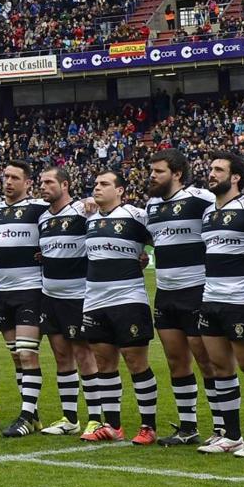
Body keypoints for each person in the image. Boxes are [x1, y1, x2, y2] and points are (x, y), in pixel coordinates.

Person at [197, 151, 244, 457]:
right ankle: (231, 435)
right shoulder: (207, 214)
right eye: (211, 168)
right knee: (220, 368)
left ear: (236, 177)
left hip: (242, 298)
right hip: (210, 298)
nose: (211, 173)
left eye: (218, 169)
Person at [144, 148, 217, 447]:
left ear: (176, 173)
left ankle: (224, 428)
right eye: (151, 170)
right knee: (176, 361)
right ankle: (188, 427)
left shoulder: (202, 199)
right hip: (165, 293)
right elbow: (150, 240)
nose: (152, 175)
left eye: (158, 171)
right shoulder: (151, 206)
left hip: (197, 291)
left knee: (207, 360)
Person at [81, 171, 159, 444]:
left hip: (128, 299)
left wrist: (145, 257)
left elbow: (160, 241)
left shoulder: (137, 216)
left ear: (121, 190)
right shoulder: (89, 219)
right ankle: (112, 424)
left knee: (136, 362)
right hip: (94, 300)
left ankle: (148, 426)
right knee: (104, 362)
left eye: (104, 184)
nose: (97, 188)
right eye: (96, 183)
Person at [0, 161, 48, 437]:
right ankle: (32, 414)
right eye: (5, 176)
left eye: (14, 177)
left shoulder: (38, 209)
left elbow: (70, 215)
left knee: (27, 354)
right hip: (4, 291)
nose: (8, 181)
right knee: (16, 358)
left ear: (27, 183)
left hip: (31, 290)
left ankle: (25, 416)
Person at [35, 168, 102, 437]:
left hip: (78, 296)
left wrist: (94, 204)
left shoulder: (83, 211)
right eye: (41, 182)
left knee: (84, 355)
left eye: (49, 182)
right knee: (61, 356)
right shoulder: (42, 218)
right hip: (50, 296)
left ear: (65, 184)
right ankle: (70, 418)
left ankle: (96, 417)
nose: (43, 186)